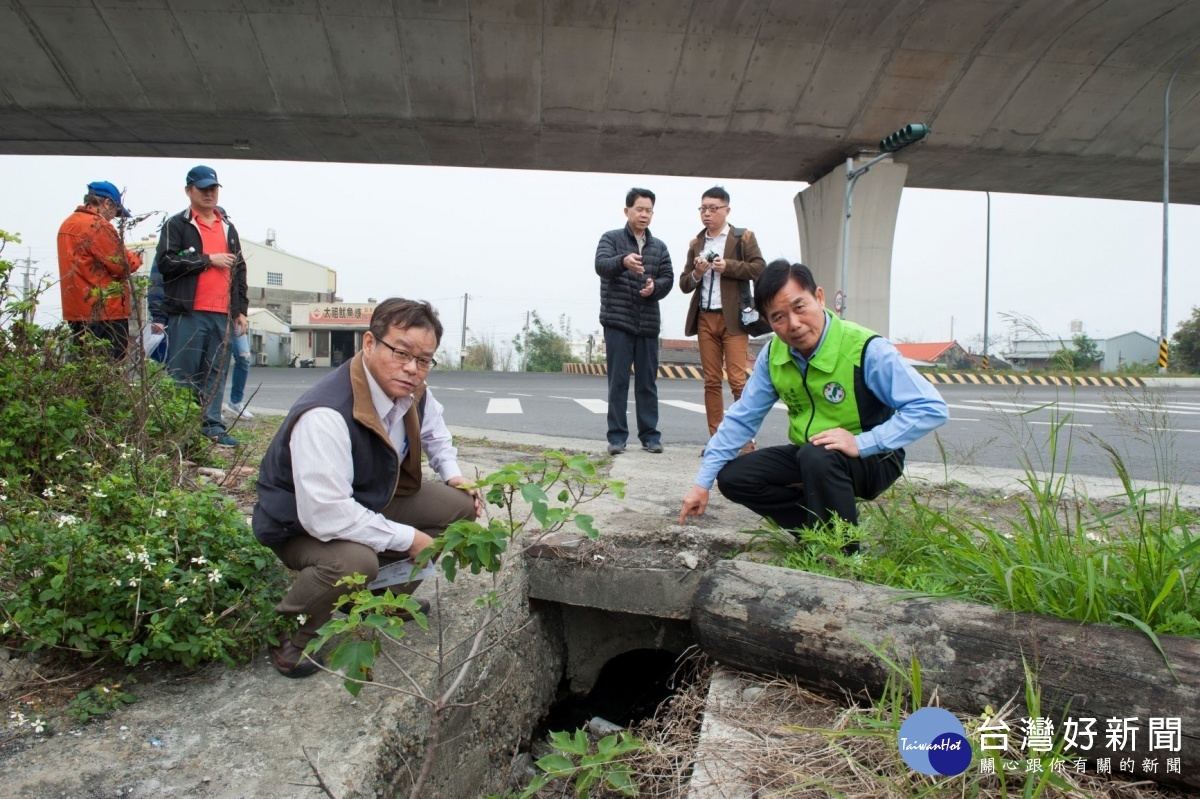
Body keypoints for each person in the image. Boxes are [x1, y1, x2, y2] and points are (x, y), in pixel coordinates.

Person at [252, 298, 481, 678]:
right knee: (355, 562)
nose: (411, 368)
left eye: (424, 360)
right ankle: (294, 633)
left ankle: (380, 603)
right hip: (299, 525)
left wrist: (454, 473)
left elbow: (435, 432)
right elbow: (326, 514)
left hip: (367, 501)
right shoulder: (325, 414)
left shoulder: (411, 391)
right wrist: (408, 538)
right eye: (401, 352)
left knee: (457, 507)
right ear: (370, 344)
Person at [679, 260, 948, 540]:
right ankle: (816, 537)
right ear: (767, 321)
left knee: (817, 456)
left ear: (819, 297)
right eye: (778, 317)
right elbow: (742, 418)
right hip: (813, 455)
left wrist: (862, 442)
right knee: (735, 477)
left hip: (873, 458)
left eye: (799, 307)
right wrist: (702, 483)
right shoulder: (774, 355)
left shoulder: (866, 348)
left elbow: (931, 407)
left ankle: (845, 552)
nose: (793, 325)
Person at [154, 165, 248, 447]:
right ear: (188, 191)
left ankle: (212, 425)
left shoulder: (228, 227)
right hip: (188, 312)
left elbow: (240, 270)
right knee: (183, 372)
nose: (209, 193)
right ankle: (179, 427)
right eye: (202, 188)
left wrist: (240, 309)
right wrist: (208, 260)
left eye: (213, 188)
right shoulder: (177, 224)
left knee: (216, 372)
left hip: (222, 313)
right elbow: (166, 263)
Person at [679, 186, 766, 445]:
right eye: (703, 208)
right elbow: (684, 283)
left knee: (738, 380)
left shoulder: (743, 237)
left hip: (735, 319)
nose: (707, 213)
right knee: (712, 382)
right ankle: (717, 441)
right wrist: (697, 273)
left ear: (726, 210)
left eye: (713, 208)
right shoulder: (697, 243)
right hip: (705, 317)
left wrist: (728, 266)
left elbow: (759, 268)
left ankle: (745, 441)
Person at [594, 188, 673, 455]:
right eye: (639, 209)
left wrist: (655, 286)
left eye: (649, 210)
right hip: (618, 321)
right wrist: (623, 261)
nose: (644, 214)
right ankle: (617, 437)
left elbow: (668, 278)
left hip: (648, 324)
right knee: (618, 381)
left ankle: (650, 436)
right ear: (626, 210)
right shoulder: (611, 239)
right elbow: (601, 265)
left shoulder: (659, 246)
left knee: (647, 383)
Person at [56, 181, 143, 359]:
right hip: (105, 313)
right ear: (106, 204)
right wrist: (135, 256)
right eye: (115, 212)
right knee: (110, 371)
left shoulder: (67, 225)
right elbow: (123, 265)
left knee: (84, 371)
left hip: (76, 312)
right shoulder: (97, 225)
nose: (113, 218)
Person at [222, 329, 254, 420]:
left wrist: (242, 315)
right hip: (218, 317)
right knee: (218, 359)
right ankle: (212, 407)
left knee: (244, 357)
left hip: (236, 320)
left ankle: (235, 402)